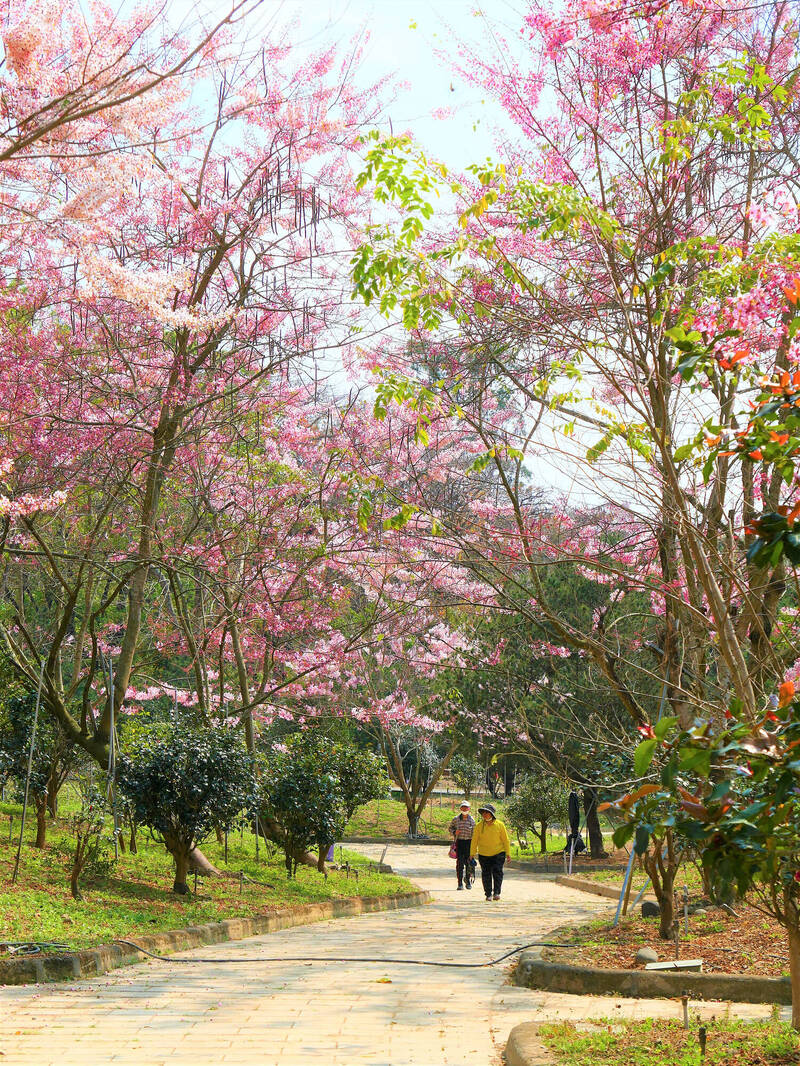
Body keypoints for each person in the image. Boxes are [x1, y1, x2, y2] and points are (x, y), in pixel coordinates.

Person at [470, 802, 511, 901]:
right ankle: (488, 894)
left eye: (486, 813)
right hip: (484, 854)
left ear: (492, 814)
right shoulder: (479, 826)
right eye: (483, 813)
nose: (484, 815)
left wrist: (508, 853)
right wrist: (472, 853)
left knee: (498, 873)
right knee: (486, 874)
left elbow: (505, 840)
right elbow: (474, 840)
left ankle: (496, 892)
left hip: (498, 853)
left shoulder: (500, 825)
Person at [448, 801, 476, 890]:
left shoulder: (472, 821)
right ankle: (459, 883)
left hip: (469, 843)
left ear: (469, 809)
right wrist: (454, 832)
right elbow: (450, 828)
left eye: (466, 808)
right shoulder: (456, 819)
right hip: (459, 843)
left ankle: (467, 880)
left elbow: (475, 834)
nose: (464, 809)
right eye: (463, 808)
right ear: (460, 808)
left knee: (469, 864)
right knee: (459, 864)